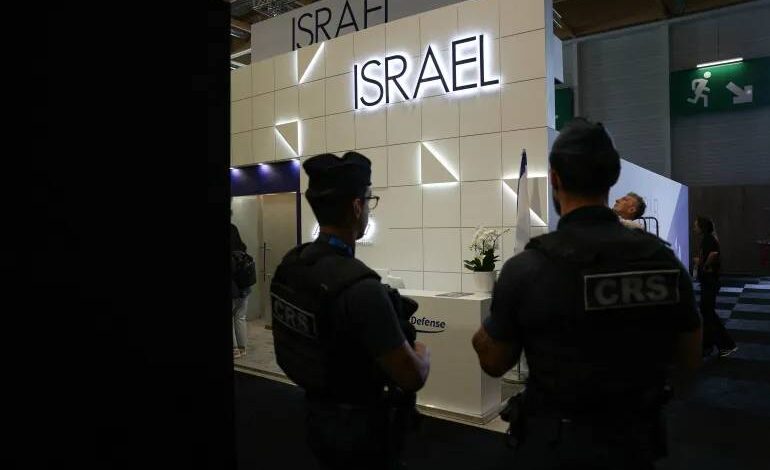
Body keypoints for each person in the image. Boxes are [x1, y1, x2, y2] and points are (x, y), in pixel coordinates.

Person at [471, 118, 702, 470]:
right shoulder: (661, 261)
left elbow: (494, 362)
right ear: (612, 178)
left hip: (556, 447)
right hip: (634, 446)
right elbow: (689, 359)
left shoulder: (527, 268)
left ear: (554, 179)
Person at [270, 151, 430, 470]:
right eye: (369, 201)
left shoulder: (292, 265)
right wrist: (422, 351)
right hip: (362, 436)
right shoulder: (362, 288)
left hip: (315, 419)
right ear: (357, 207)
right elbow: (411, 376)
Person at [694, 216, 737, 358]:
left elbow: (713, 254)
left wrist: (703, 265)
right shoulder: (709, 238)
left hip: (710, 281)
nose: (694, 228)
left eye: (696, 225)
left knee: (708, 312)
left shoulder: (708, 239)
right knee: (706, 312)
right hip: (709, 280)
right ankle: (708, 346)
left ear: (702, 226)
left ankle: (727, 345)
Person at [231, 217, 250, 359]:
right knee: (240, 317)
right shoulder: (243, 252)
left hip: (233, 290)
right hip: (245, 289)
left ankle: (234, 350)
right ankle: (242, 348)